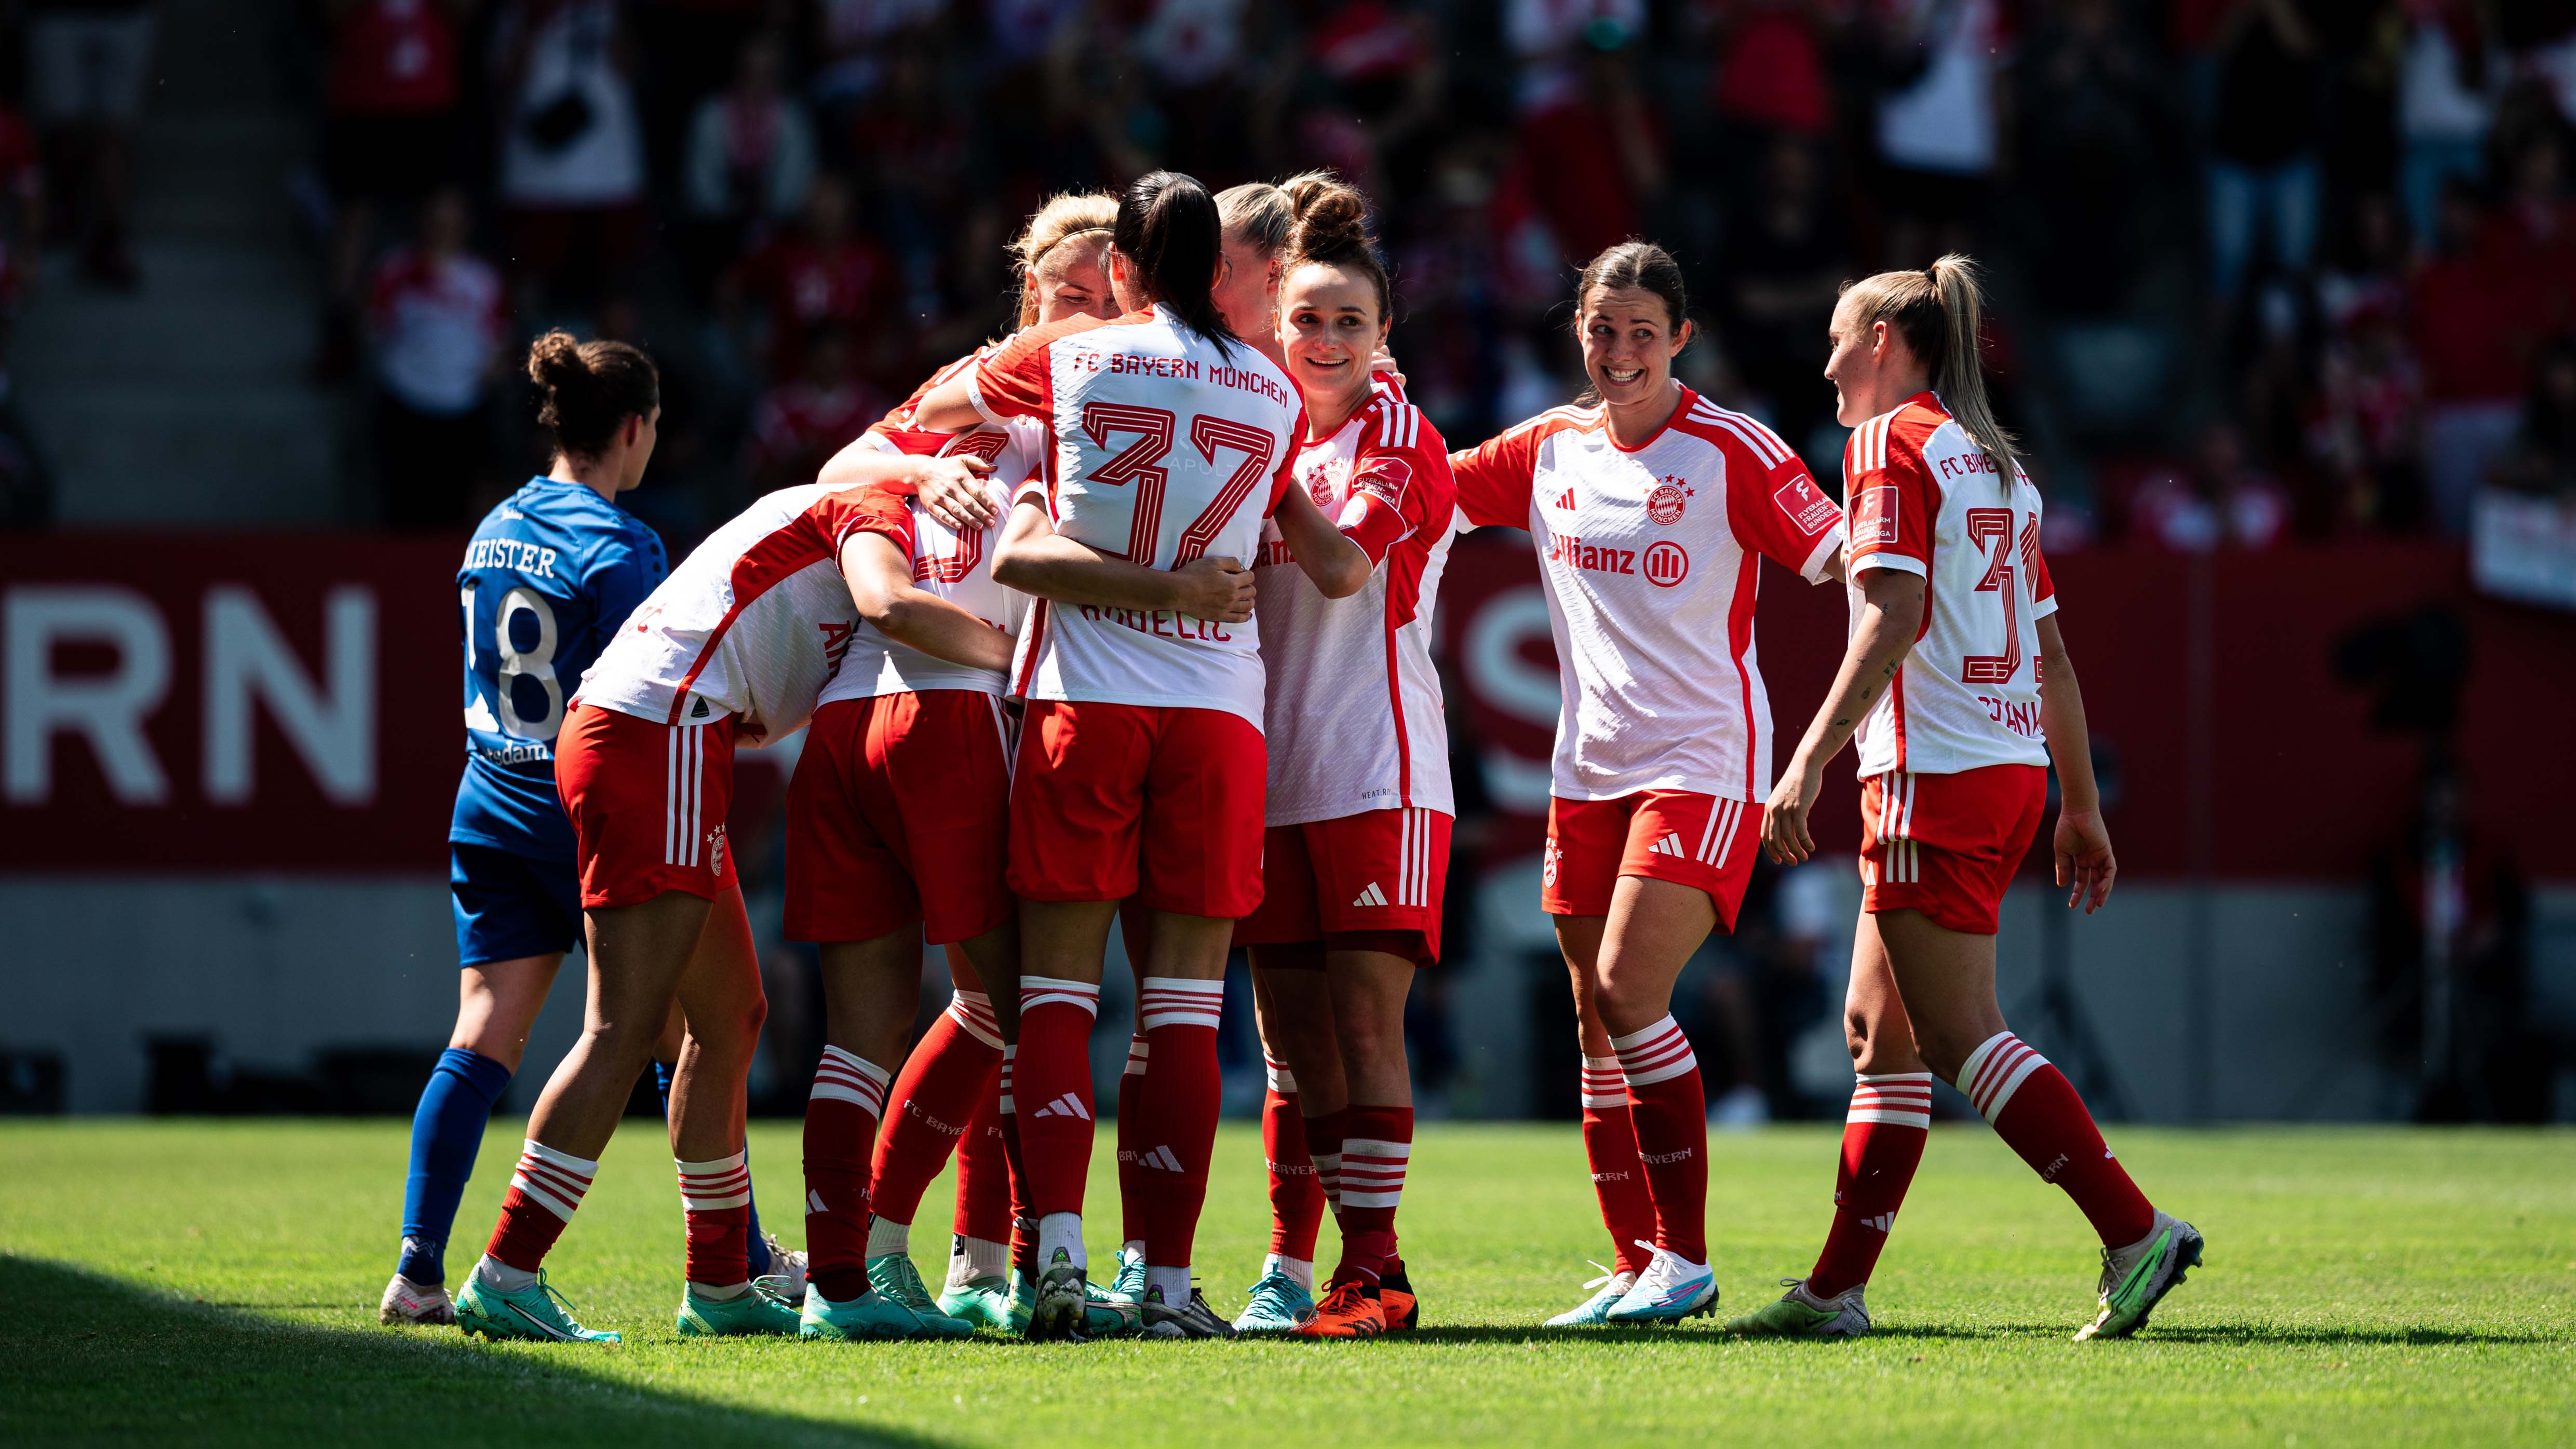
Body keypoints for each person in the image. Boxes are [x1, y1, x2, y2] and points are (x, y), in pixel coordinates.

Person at [903, 169, 1369, 1341]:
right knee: (1184, 1006)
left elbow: (933, 413)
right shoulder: (1271, 387)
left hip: (1087, 694)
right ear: (1224, 269)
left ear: (1121, 269)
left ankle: (1051, 1257)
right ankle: (1164, 1283)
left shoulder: (1072, 357)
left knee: (1056, 991)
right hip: (1219, 711)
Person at [450, 351, 967, 1345]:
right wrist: (1029, 653)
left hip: (644, 734)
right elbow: (889, 607)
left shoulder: (833, 506)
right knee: (622, 1027)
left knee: (728, 1019)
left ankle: (721, 1280)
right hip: (661, 737)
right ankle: (508, 1269)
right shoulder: (874, 516)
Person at [1736, 255, 2202, 1342]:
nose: (1827, 361)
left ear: (1888, 344)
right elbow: (2052, 658)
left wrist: (1808, 757)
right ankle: (1834, 1290)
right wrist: (2079, 804)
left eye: (1841, 337)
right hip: (2005, 770)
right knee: (1878, 1031)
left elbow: (1890, 616)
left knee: (1956, 1036)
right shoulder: (1995, 464)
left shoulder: (1890, 444)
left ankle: (2136, 1231)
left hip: (1930, 776)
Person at [801, 191, 1182, 1339]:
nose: (1085, 313)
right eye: (1064, 295)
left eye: (1102, 294)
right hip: (957, 708)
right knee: (1015, 1004)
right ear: (1029, 298)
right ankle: (927, 1257)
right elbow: (841, 467)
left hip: (960, 709)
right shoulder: (996, 385)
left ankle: (952, 1259)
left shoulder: (1100, 395)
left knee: (989, 1011)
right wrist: (921, 479)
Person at [1446, 241, 1846, 1326]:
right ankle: (1636, 1265)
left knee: (1629, 994)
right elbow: (1427, 491)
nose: (1618, 351)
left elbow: (1850, 562)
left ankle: (1686, 1258)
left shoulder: (1734, 451)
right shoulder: (1547, 445)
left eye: (1640, 332)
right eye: (1600, 329)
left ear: (1681, 338)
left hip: (1703, 760)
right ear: (1578, 331)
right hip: (1588, 766)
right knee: (1592, 1019)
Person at [379, 331, 667, 1329]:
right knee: (675, 1031)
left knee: (482, 1037)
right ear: (633, 430)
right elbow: (632, 707)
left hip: (490, 799)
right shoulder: (621, 548)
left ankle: (416, 1270)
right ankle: (736, 1254)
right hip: (585, 816)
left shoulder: (492, 526)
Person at [1230, 175, 1459, 1339]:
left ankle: (1376, 1274)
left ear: (1383, 339)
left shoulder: (1402, 437)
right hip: (1270, 780)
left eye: (1350, 323)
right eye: (1307, 319)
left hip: (1380, 772)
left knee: (1367, 1030)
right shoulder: (1257, 418)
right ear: (1276, 323)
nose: (1325, 339)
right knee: (1291, 1042)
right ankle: (1291, 1262)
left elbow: (1338, 570)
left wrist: (1258, 467)